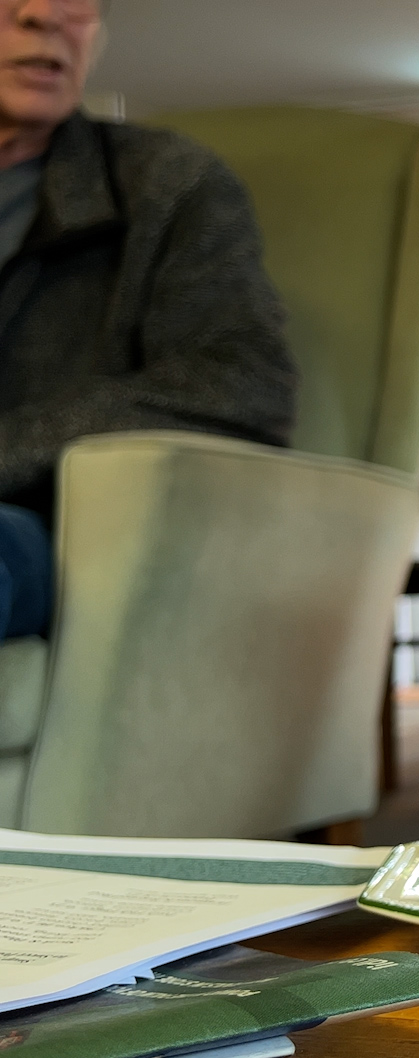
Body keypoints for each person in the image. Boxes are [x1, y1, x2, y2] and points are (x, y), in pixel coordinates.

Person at [0, 0, 299, 640]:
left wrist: (15, 447)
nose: (44, 13)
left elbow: (242, 383)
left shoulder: (167, 185)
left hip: (44, 528)